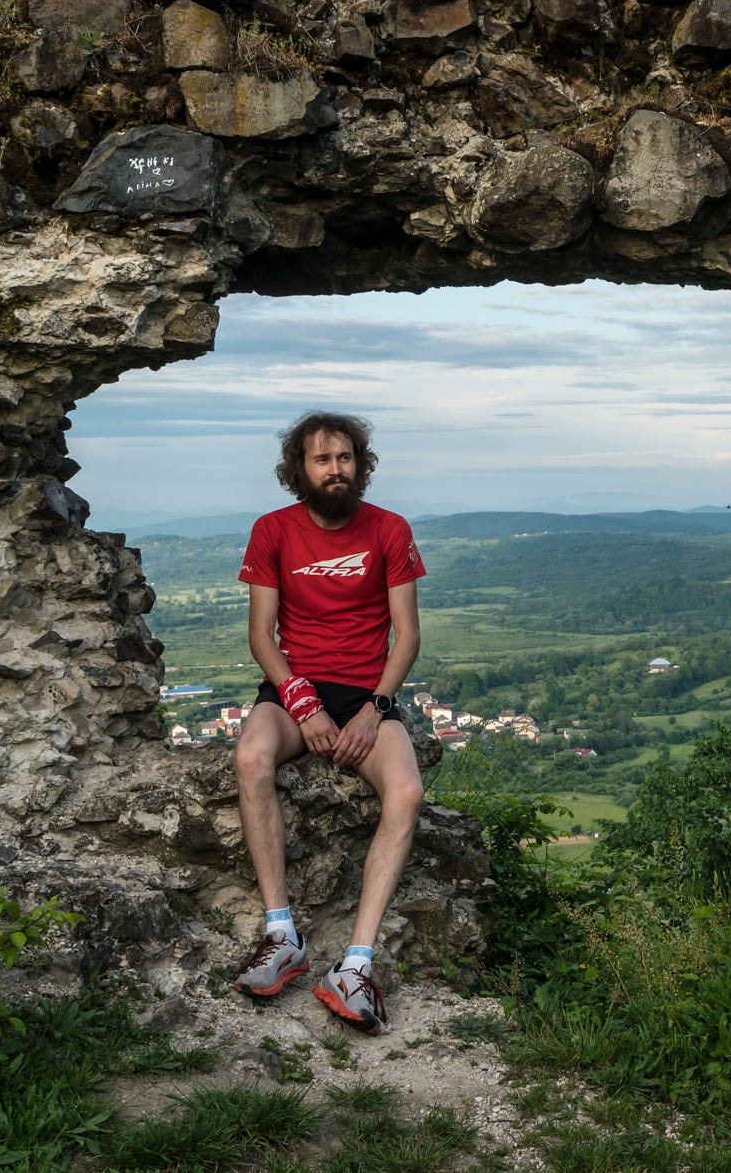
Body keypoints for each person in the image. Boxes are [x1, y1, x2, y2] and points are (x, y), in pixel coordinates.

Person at [229, 411, 425, 1035]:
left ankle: (356, 965)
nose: (334, 469)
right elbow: (262, 636)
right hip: (295, 691)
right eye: (321, 459)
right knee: (251, 758)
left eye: (344, 458)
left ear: (360, 465)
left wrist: (376, 709)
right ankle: (281, 933)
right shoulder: (273, 531)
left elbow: (408, 637)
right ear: (298, 470)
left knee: (407, 790)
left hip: (367, 693)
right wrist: (302, 704)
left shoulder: (389, 529)